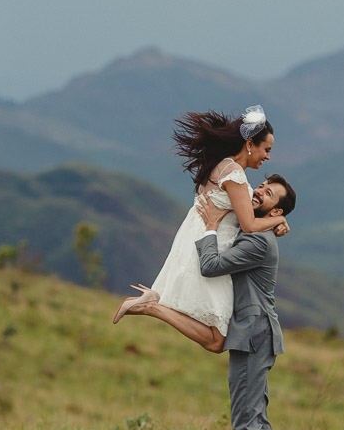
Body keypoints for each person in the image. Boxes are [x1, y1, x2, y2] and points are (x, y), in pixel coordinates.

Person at [112, 105, 288, 352]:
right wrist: (278, 220)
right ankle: (151, 306)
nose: (268, 157)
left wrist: (277, 219)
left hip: (198, 241)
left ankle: (153, 303)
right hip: (210, 247)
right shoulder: (235, 175)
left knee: (217, 338)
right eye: (266, 149)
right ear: (250, 144)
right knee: (217, 340)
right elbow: (249, 225)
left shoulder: (222, 165)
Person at [193, 180, 295, 430]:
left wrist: (210, 228)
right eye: (262, 185)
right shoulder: (257, 228)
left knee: (245, 422)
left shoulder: (258, 243)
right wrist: (278, 220)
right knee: (257, 416)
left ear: (275, 209)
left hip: (252, 335)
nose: (259, 190)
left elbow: (210, 267)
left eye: (268, 193)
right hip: (256, 334)